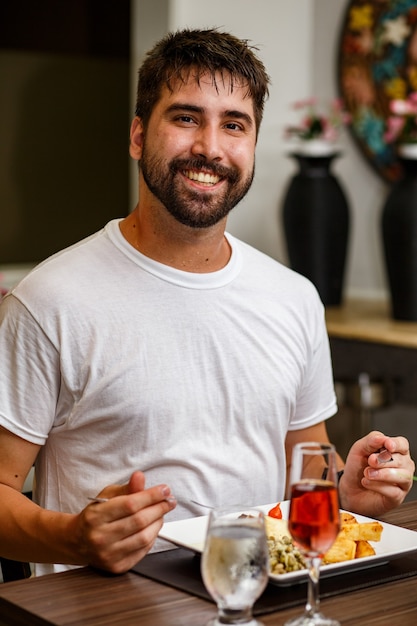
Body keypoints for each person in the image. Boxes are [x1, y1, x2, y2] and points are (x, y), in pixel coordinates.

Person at [0, 28, 414, 578]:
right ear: (137, 136)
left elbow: (306, 473)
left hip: (263, 597)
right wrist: (76, 538)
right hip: (108, 610)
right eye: (186, 118)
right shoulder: (50, 300)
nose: (210, 148)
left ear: (253, 145)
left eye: (234, 125)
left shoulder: (294, 298)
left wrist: (350, 491)